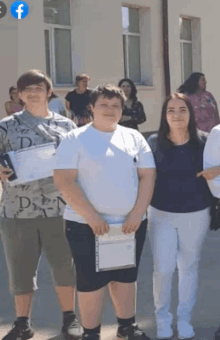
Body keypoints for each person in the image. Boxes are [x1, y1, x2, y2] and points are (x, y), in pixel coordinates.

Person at [53, 84, 156, 340]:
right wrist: (91, 217)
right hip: (84, 225)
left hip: (130, 224)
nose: (110, 110)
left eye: (115, 106)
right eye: (104, 105)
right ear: (92, 107)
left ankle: (126, 326)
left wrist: (137, 213)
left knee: (125, 277)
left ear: (122, 109)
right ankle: (91, 332)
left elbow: (148, 176)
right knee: (91, 281)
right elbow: (65, 180)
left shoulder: (134, 137)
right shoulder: (74, 139)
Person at [0, 70, 82, 340]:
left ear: (49, 92)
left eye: (38, 88)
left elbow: (78, 164)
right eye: (27, 89)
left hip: (59, 209)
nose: (32, 93)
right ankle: (22, 323)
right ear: (19, 94)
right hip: (17, 210)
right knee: (20, 270)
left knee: (64, 266)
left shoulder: (67, 126)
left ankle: (70, 318)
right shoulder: (5, 126)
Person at [146, 93, 213, 340]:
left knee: (188, 267)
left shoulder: (205, 142)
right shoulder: (153, 142)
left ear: (190, 114)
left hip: (196, 213)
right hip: (161, 213)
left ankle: (184, 319)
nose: (176, 115)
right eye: (171, 110)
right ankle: (163, 319)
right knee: (162, 269)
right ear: (164, 115)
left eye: (182, 109)